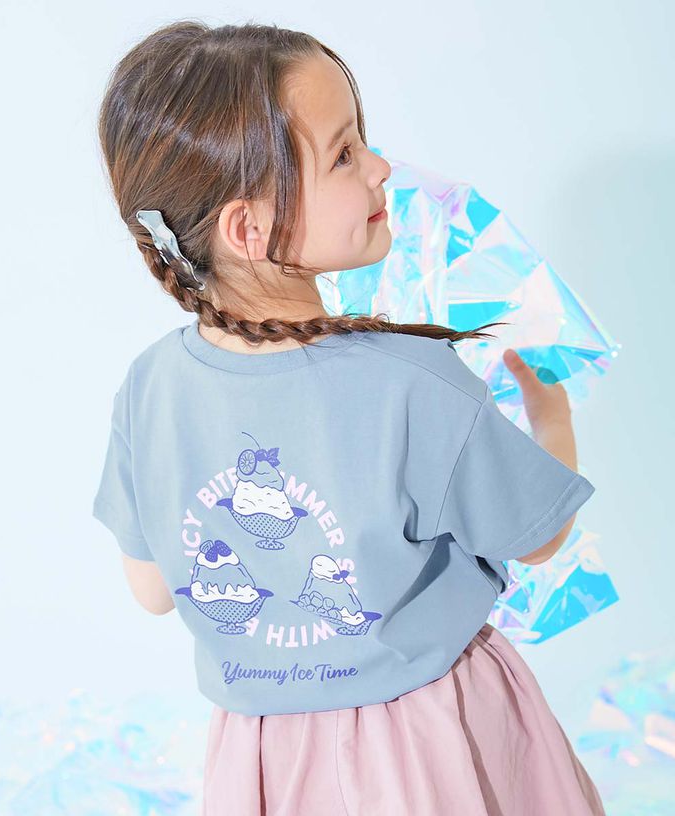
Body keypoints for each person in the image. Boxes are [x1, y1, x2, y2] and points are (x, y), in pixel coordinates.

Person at [91, 20, 606, 816]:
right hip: (434, 738)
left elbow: (154, 590)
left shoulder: (148, 386)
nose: (380, 167)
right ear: (247, 227)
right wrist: (554, 420)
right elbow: (537, 537)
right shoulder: (413, 383)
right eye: (342, 154)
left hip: (262, 760)